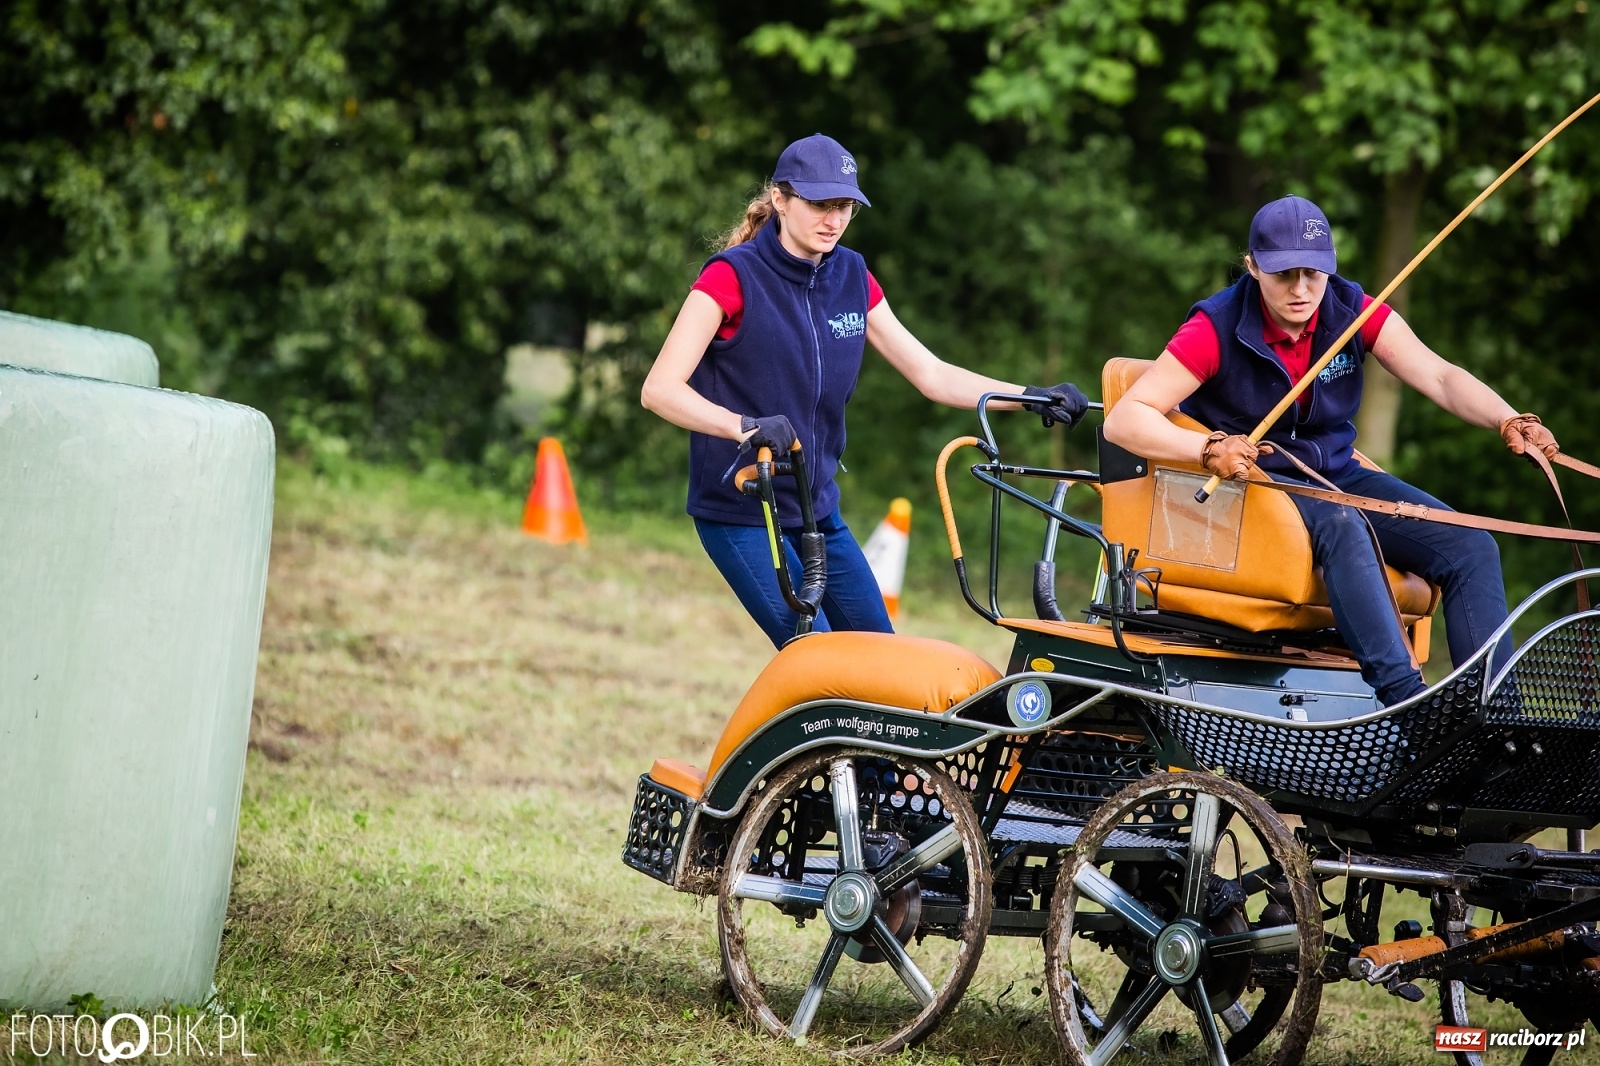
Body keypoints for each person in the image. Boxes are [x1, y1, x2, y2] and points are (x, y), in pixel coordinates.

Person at [1103, 194, 1560, 706]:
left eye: (1313, 274)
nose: (1300, 290)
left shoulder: (1351, 309)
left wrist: (1506, 417)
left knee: (1471, 545)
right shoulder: (1214, 327)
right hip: (1254, 485)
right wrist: (1207, 448)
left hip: (1336, 477)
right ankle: (1409, 705)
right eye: (1283, 275)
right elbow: (1126, 418)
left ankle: (1492, 717)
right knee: (1345, 528)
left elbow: (1439, 375)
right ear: (1253, 267)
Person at [642, 133, 1087, 647]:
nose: (834, 220)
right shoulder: (731, 276)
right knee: (820, 662)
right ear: (781, 200)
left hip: (818, 511)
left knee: (882, 658)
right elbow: (660, 389)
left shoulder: (852, 275)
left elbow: (932, 374)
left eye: (846, 206)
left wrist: (1031, 397)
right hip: (743, 511)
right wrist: (740, 426)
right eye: (820, 204)